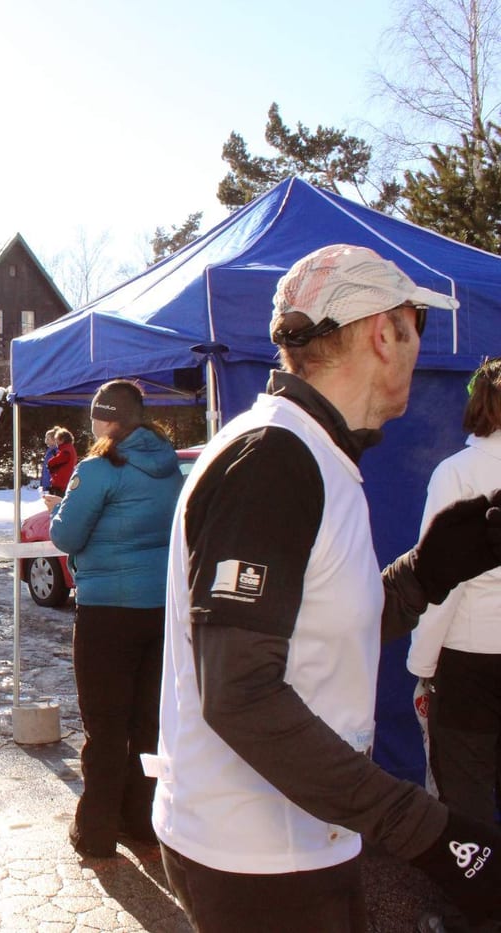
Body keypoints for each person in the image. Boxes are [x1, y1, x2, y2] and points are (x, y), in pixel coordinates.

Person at [147, 244, 501, 931]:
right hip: (256, 857)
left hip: (295, 840)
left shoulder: (314, 450)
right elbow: (240, 694)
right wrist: (430, 833)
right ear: (384, 332)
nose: (418, 348)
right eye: (417, 326)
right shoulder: (273, 458)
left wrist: (427, 572)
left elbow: (317, 631)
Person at [44, 380, 183, 858]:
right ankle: (142, 820)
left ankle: (96, 831)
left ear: (104, 419)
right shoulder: (169, 467)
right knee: (148, 722)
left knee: (105, 726)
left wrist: (58, 510)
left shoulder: (98, 469)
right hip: (160, 608)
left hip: (106, 612)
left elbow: (66, 536)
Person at [408, 357, 501, 825]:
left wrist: (422, 664)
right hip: (473, 653)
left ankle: (478, 875)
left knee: (466, 796)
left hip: (471, 662)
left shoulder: (457, 472)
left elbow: (441, 577)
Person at [47, 427, 77, 496]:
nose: (56, 441)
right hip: (64, 483)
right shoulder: (69, 449)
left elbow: (52, 462)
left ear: (62, 439)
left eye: (57, 439)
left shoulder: (66, 451)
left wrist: (50, 465)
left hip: (61, 484)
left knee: (57, 501)